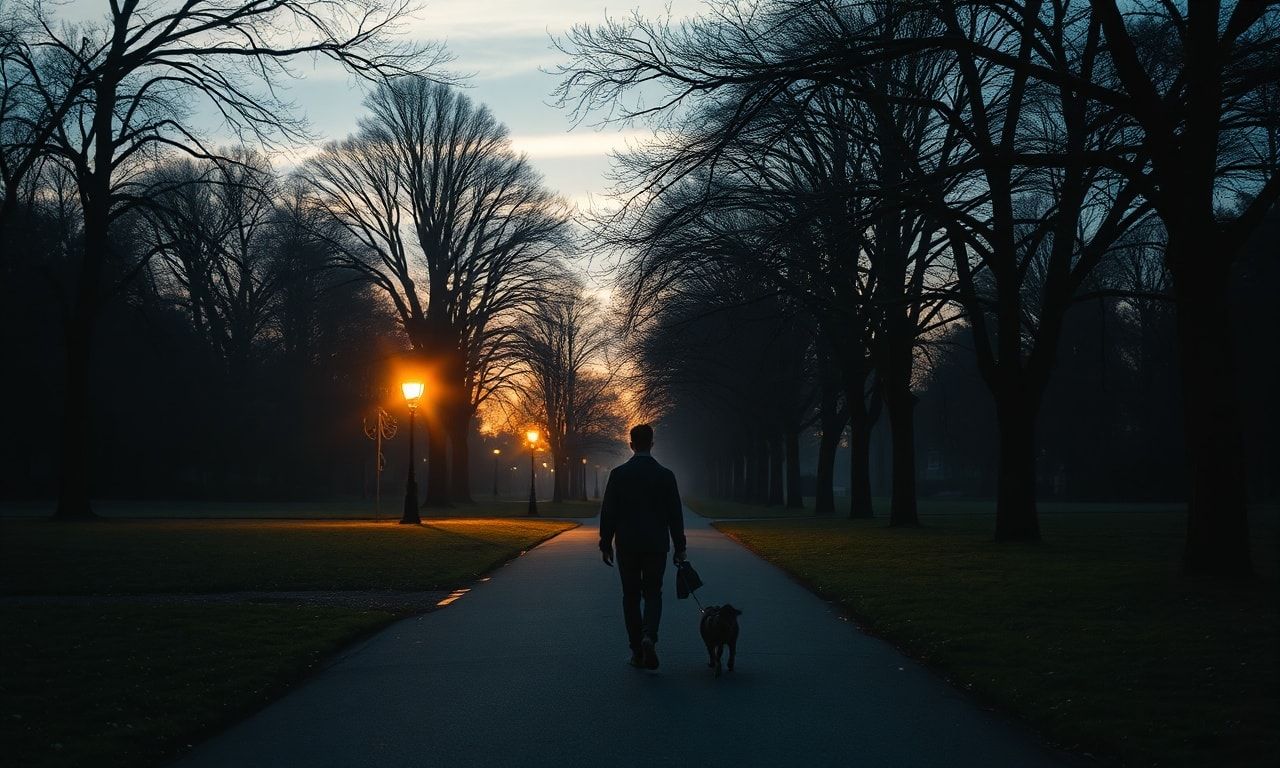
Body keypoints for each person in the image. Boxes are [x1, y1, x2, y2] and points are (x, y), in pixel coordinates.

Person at [599, 423, 687, 670]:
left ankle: (637, 649)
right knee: (653, 593)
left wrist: (605, 543)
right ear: (652, 444)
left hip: (627, 543)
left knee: (630, 596)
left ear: (631, 445)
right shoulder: (666, 475)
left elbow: (609, 512)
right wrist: (680, 545)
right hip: (656, 544)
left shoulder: (618, 475)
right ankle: (650, 636)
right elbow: (675, 515)